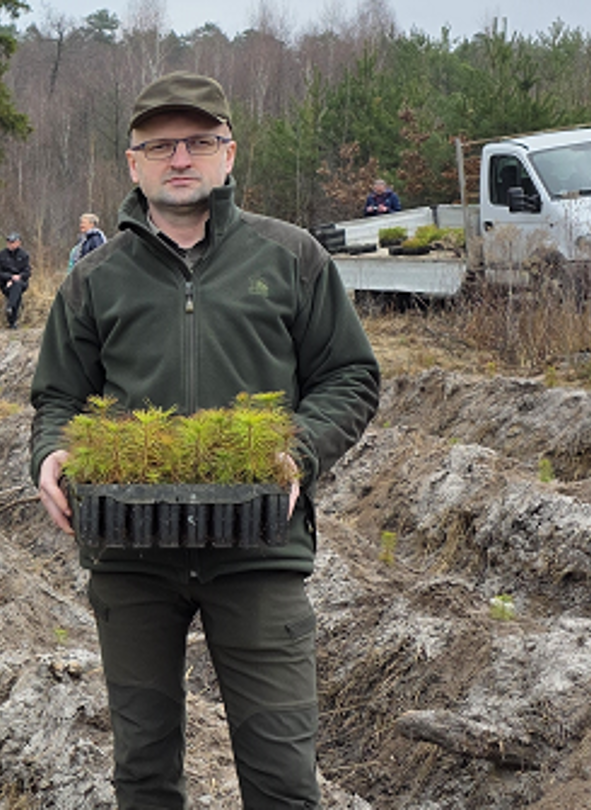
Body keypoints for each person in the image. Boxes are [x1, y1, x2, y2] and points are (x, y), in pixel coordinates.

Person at [28, 72, 379, 808]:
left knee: (282, 775)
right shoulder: (95, 279)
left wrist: (300, 450)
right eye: (160, 145)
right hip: (130, 553)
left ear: (229, 154)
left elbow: (348, 376)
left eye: (199, 141)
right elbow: (60, 396)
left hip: (260, 547)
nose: (179, 157)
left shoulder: (291, 258)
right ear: (133, 163)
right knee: (145, 769)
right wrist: (53, 453)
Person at [0, 232, 31, 328]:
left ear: (18, 243)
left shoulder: (24, 255)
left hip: (21, 282)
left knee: (17, 285)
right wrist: (10, 278)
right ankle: (12, 321)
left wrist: (18, 277)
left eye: (12, 242)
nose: (10, 244)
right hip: (5, 283)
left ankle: (10, 308)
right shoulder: (1, 255)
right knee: (16, 290)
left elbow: (28, 272)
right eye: (9, 242)